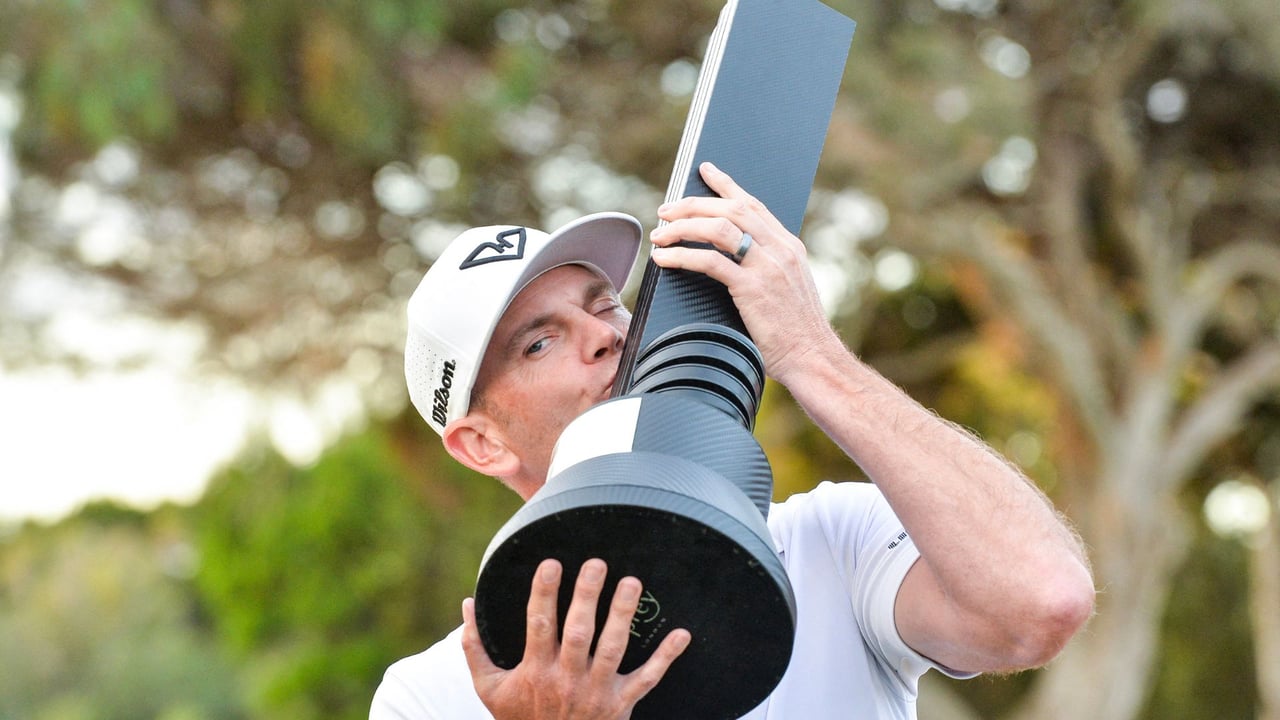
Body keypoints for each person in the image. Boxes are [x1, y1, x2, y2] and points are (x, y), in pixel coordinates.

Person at [372, 162, 1095, 719]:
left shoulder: (830, 544)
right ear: (482, 445)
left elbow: (1041, 602)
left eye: (604, 306)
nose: (605, 337)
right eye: (538, 343)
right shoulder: (430, 695)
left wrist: (813, 352)